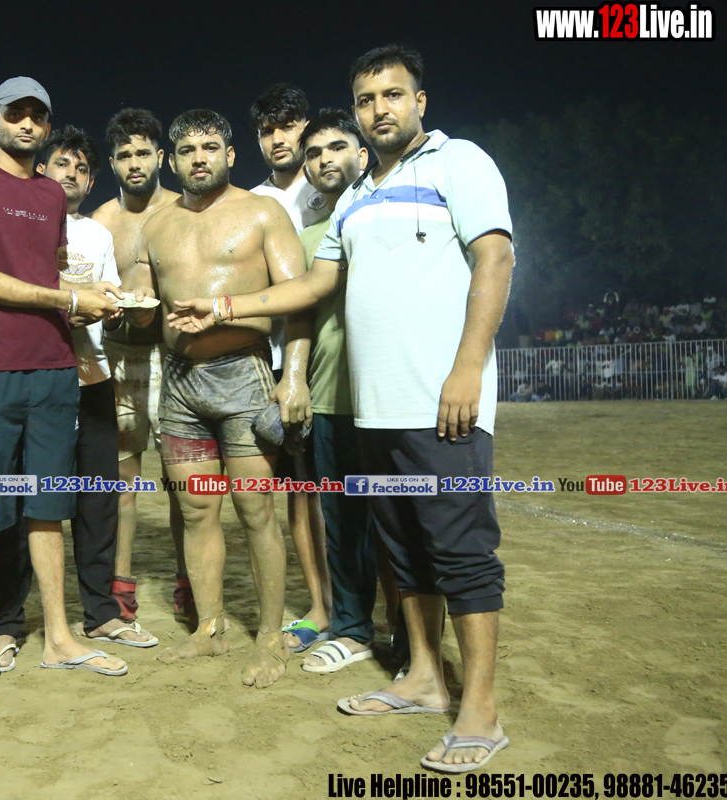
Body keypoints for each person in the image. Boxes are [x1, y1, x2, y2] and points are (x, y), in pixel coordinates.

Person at [169, 45, 515, 771]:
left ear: (420, 101)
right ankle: (423, 677)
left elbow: (495, 259)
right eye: (366, 99)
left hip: (442, 402)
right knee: (405, 552)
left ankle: (480, 710)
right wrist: (222, 307)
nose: (379, 109)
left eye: (392, 94)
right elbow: (312, 286)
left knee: (460, 553)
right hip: (373, 411)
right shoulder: (356, 196)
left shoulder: (459, 162)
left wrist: (467, 369)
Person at [0, 78, 126, 711]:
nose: (26, 124)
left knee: (49, 508)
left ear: (46, 127)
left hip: (55, 369)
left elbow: (48, 272)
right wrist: (68, 299)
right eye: (14, 114)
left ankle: (58, 637)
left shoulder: (51, 193)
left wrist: (92, 302)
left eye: (37, 116)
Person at [133, 109, 311, 689]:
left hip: (244, 379)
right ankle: (210, 627)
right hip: (179, 383)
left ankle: (269, 637)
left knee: (255, 511)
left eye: (210, 147)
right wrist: (121, 303)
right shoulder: (157, 226)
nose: (199, 158)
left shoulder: (262, 212)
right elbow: (143, 300)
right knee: (195, 510)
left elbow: (299, 299)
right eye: (187, 150)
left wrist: (295, 376)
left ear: (230, 155)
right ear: (172, 160)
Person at [0, 126, 158, 650]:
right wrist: (69, 305)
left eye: (82, 169)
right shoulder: (21, 219)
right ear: (42, 167)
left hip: (93, 378)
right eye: (62, 163)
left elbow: (106, 297)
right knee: (25, 501)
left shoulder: (96, 235)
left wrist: (119, 307)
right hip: (37, 377)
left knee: (99, 500)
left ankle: (101, 612)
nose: (72, 175)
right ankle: (8, 622)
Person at [286, 110, 388, 675]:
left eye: (337, 146)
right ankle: (352, 631)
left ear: (363, 153)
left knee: (400, 523)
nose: (325, 158)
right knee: (343, 525)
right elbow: (299, 315)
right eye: (314, 152)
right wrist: (296, 377)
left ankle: (409, 637)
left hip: (393, 398)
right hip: (330, 398)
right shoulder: (306, 239)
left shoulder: (393, 220)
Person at [89, 109, 191, 627]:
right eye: (124, 154)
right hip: (116, 355)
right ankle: (122, 581)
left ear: (161, 158)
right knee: (122, 478)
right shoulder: (101, 221)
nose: (134, 163)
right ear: (112, 163)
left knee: (180, 478)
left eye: (143, 153)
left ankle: (188, 578)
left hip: (172, 356)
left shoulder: (182, 210)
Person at [248, 82, 331, 654]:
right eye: (267, 129)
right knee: (301, 491)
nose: (279, 138)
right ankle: (321, 607)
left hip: (333, 356)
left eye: (288, 125)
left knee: (345, 491)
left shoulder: (330, 183)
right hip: (277, 362)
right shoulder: (251, 200)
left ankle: (369, 607)